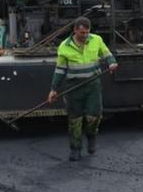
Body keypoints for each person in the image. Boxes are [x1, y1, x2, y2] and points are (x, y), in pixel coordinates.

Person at [47, 17, 118, 161]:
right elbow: (60, 70)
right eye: (82, 33)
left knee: (94, 116)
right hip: (74, 88)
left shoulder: (96, 40)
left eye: (87, 32)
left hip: (93, 85)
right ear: (75, 31)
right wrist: (53, 89)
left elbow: (107, 54)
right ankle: (75, 149)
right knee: (75, 120)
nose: (85, 36)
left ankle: (91, 137)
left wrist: (112, 62)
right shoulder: (64, 47)